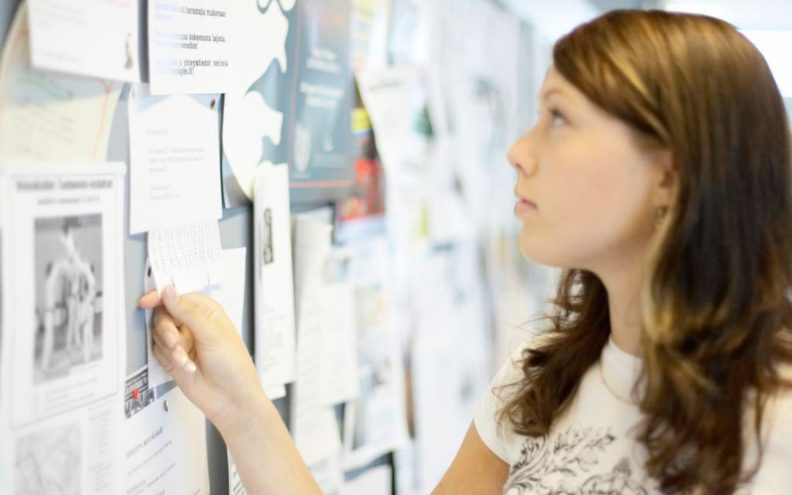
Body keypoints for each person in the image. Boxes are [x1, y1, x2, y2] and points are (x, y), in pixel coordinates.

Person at [138, 9, 792, 495]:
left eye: (559, 117)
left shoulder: (776, 424)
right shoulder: (542, 379)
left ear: (669, 176)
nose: (519, 151)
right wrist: (238, 403)